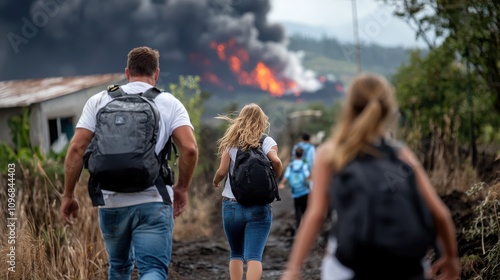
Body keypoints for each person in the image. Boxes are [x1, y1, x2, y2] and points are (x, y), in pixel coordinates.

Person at [281, 74, 460, 280]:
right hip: (406, 266)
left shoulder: (331, 153)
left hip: (351, 266)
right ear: (388, 109)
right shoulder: (401, 154)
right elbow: (440, 214)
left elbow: (316, 215)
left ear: (348, 107)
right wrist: (452, 258)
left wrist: (293, 269)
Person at [61, 46, 198, 279]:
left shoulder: (99, 100)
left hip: (111, 201)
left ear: (127, 72)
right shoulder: (169, 102)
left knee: (119, 267)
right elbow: (189, 148)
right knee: (153, 269)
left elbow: (76, 148)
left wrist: (68, 194)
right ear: (156, 73)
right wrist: (182, 188)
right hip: (153, 199)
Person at [213, 103, 283, 280]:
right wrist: (275, 177)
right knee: (254, 256)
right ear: (261, 121)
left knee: (236, 253)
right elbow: (277, 162)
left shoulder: (231, 143)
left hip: (232, 205)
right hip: (259, 207)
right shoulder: (267, 141)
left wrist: (215, 181)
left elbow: (222, 171)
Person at [278, 147, 310, 234]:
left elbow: (286, 176)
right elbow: (307, 177)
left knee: (297, 211)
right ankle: (305, 229)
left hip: (295, 192)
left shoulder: (291, 165)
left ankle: (298, 229)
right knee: (305, 211)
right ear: (302, 155)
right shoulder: (303, 165)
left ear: (294, 154)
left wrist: (281, 183)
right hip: (304, 191)